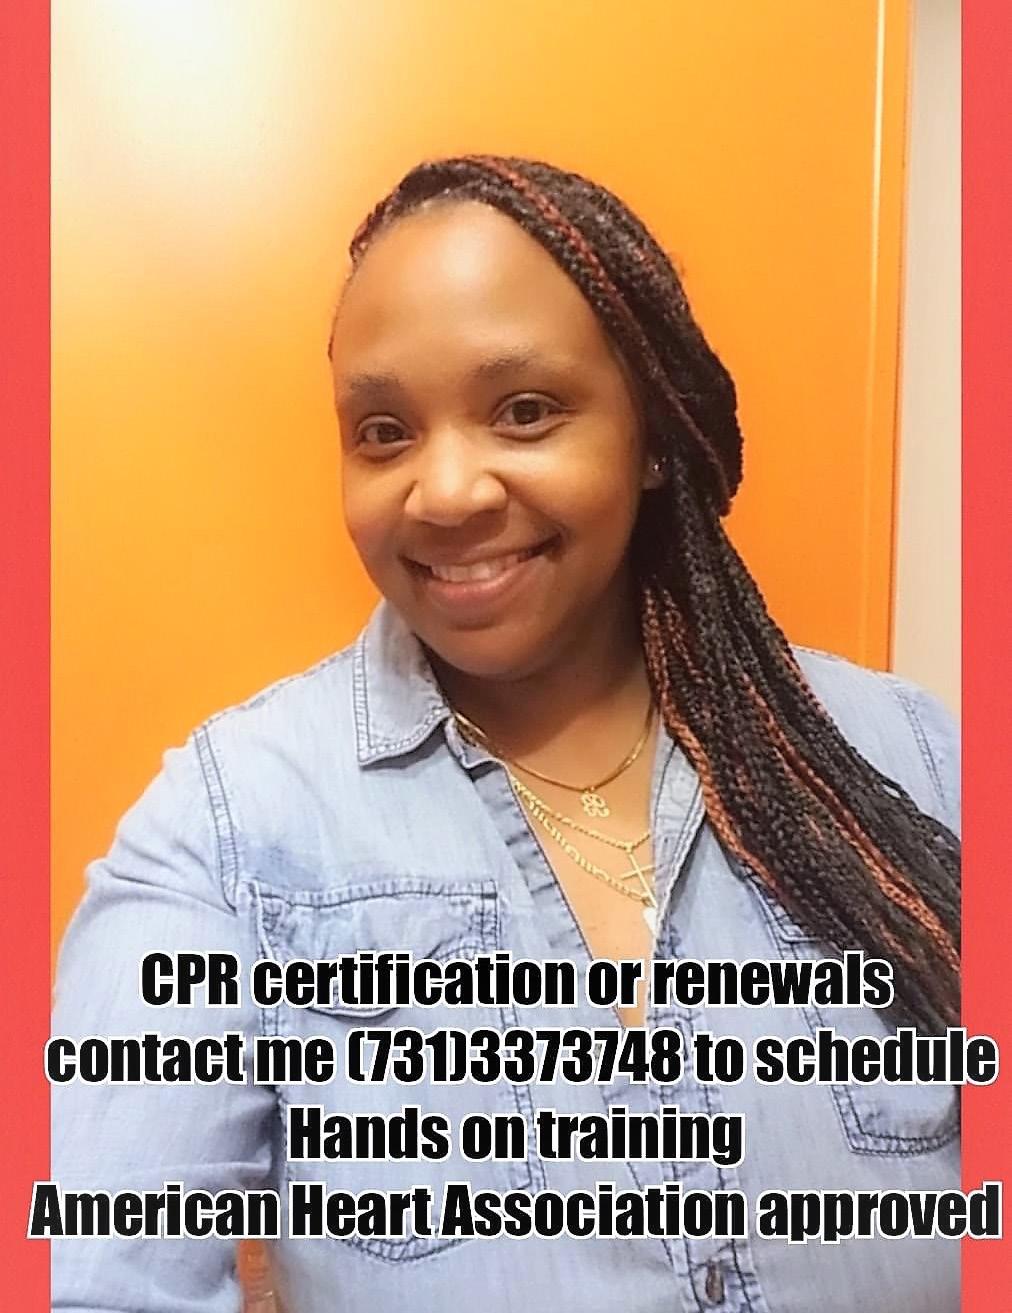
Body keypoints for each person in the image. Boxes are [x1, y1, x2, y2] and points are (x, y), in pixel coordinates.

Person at [51, 155, 961, 1313]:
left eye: (524, 410)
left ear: (651, 435)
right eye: (384, 430)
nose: (444, 491)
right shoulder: (229, 830)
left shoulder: (912, 760)